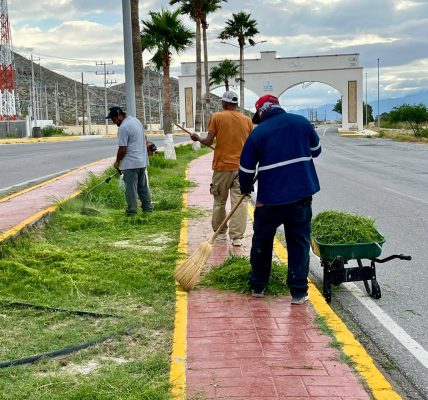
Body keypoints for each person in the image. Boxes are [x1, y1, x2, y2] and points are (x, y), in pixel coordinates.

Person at [239, 95, 321, 303]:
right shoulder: (302, 122)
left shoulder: (258, 133)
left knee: (262, 241)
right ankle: (298, 292)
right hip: (301, 197)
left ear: (261, 112)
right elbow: (316, 151)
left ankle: (258, 286)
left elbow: (246, 169)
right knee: (299, 242)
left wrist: (246, 188)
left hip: (269, 201)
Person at [190, 91, 253, 246]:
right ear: (236, 104)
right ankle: (237, 237)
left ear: (224, 103)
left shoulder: (217, 117)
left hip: (222, 167)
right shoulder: (247, 120)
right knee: (240, 203)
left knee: (219, 202)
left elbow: (208, 141)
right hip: (242, 169)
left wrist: (197, 138)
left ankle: (221, 233)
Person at [107, 106, 153, 216]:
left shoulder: (123, 127)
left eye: (114, 119)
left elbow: (123, 148)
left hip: (131, 164)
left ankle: (132, 213)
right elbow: (145, 139)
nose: (113, 122)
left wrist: (117, 162)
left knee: (130, 190)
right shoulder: (136, 121)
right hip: (141, 162)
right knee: (143, 187)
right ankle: (148, 210)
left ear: (119, 116)